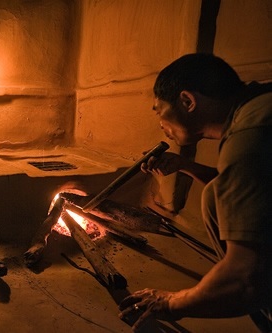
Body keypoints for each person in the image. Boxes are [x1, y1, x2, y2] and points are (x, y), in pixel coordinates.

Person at [117, 53, 272, 332]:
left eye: (159, 110)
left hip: (253, 279)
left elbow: (246, 277)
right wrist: (185, 165)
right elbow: (249, 192)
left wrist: (169, 303)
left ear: (187, 101)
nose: (160, 124)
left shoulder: (251, 133)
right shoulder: (259, 105)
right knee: (215, 193)